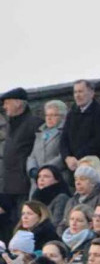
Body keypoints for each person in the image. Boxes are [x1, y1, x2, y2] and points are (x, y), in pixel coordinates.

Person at [1, 88, 43, 237]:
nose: (4, 107)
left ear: (19, 103)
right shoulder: (11, 124)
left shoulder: (34, 123)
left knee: (23, 224)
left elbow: (39, 152)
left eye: (7, 103)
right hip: (8, 187)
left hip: (24, 185)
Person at [29, 103, 68, 183]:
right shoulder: (40, 133)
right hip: (38, 180)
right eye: (47, 115)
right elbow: (32, 156)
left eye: (53, 115)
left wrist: (45, 169)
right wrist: (32, 169)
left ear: (62, 117)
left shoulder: (65, 132)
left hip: (56, 178)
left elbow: (63, 155)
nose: (49, 118)